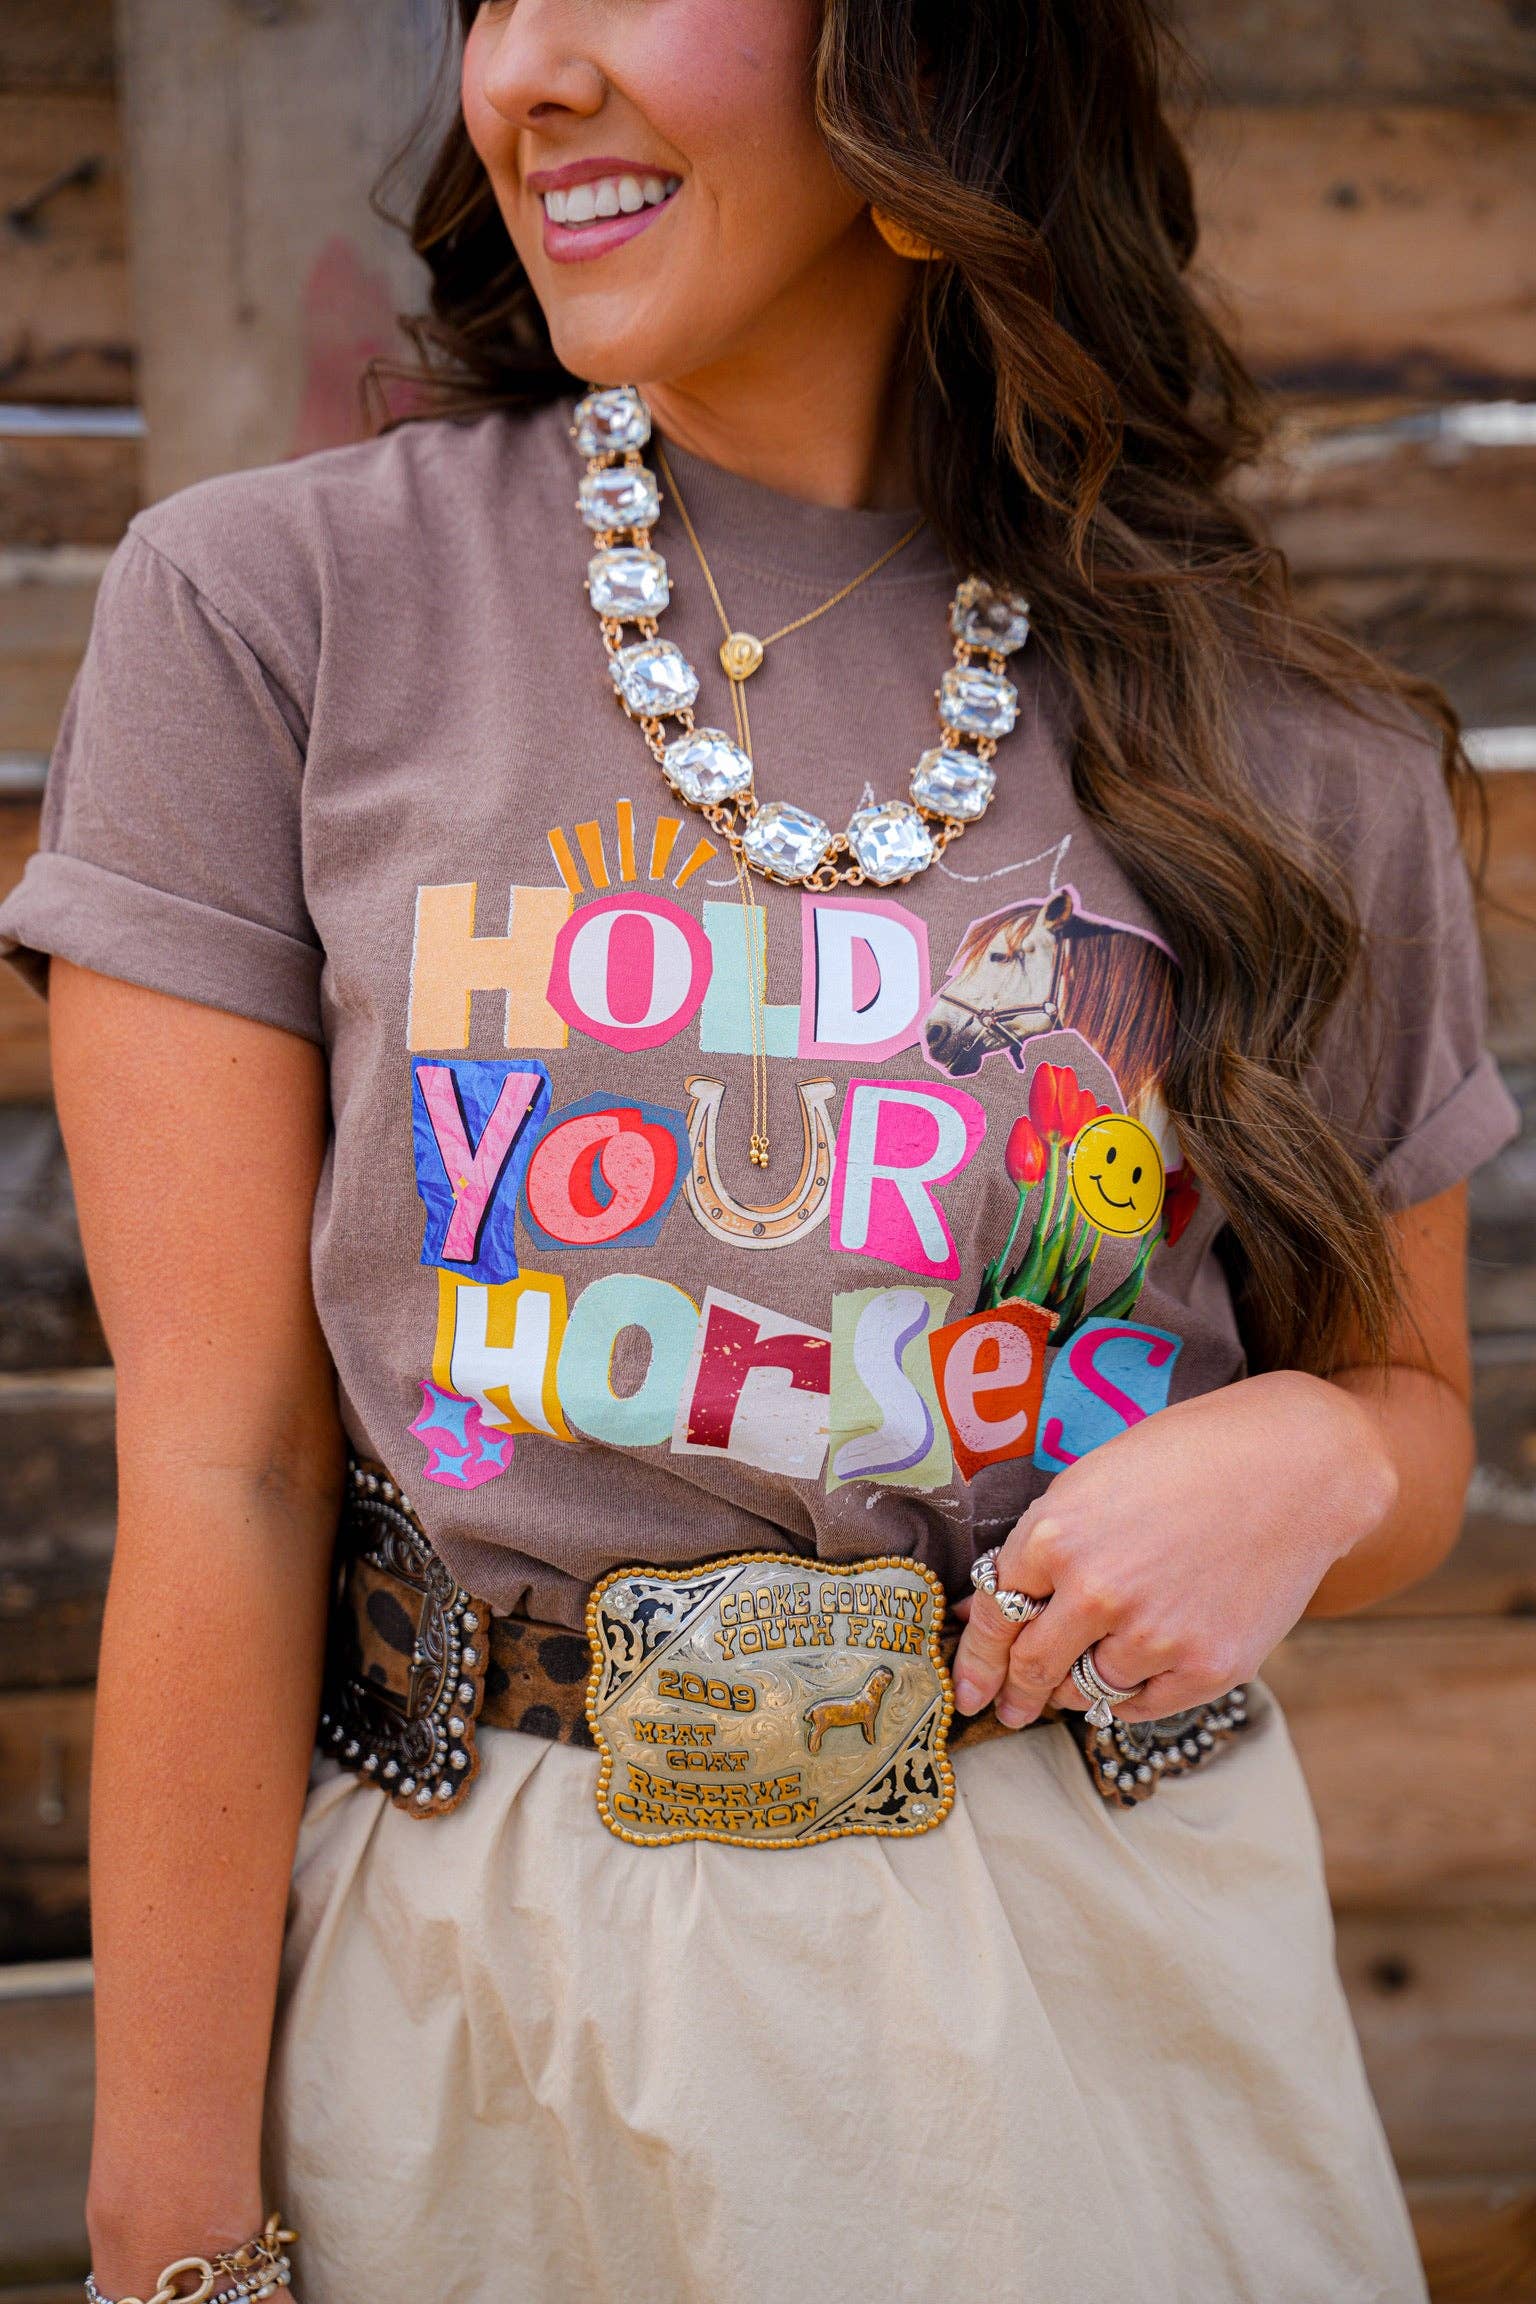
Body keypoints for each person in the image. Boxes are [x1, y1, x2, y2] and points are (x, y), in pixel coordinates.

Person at [1, 2, 1517, 2298]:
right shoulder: (276, 612)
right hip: (485, 1997)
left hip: (1095, 1997)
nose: (525, 71)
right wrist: (169, 2232)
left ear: (924, 60)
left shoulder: (1285, 740)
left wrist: (1320, 1449)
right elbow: (226, 1470)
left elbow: (1413, 1427)